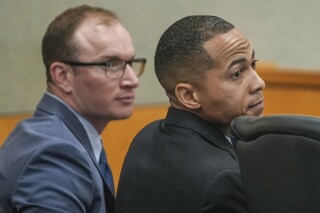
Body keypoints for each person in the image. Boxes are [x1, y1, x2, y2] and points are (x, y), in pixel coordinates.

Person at [0, 4, 146, 213]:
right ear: (63, 76)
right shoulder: (56, 153)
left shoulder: (52, 134)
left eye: (130, 62)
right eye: (110, 64)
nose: (132, 80)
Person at [116, 15, 265, 213]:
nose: (259, 83)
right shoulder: (224, 179)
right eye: (237, 73)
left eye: (252, 64)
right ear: (189, 96)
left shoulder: (146, 136)